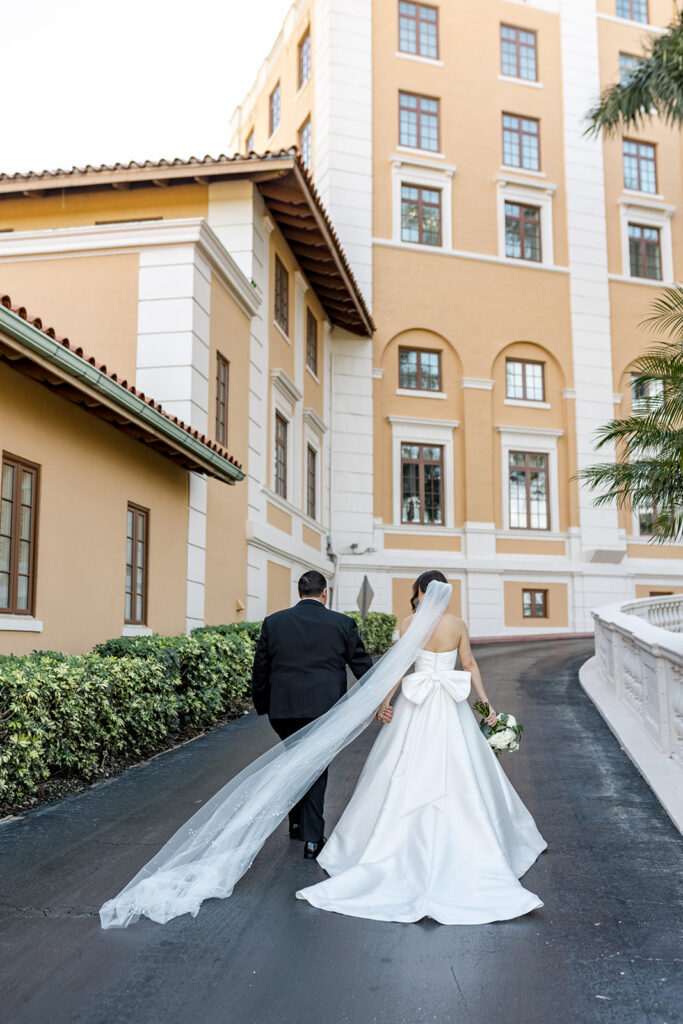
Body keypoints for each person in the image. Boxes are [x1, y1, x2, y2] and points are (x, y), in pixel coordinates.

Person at [295, 570, 547, 924]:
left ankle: (379, 850)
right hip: (450, 705)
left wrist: (385, 701)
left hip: (415, 705)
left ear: (421, 592)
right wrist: (486, 704)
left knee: (397, 770)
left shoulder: (410, 621)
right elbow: (470, 665)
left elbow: (398, 669)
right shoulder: (458, 624)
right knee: (464, 770)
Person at [250, 570, 373, 858]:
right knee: (315, 767)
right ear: (324, 593)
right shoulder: (342, 623)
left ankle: (295, 823)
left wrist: (263, 705)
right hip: (325, 710)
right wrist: (378, 698)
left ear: (299, 592)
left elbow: (260, 669)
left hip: (283, 711)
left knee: (295, 761)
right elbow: (362, 666)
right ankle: (312, 838)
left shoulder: (274, 622)